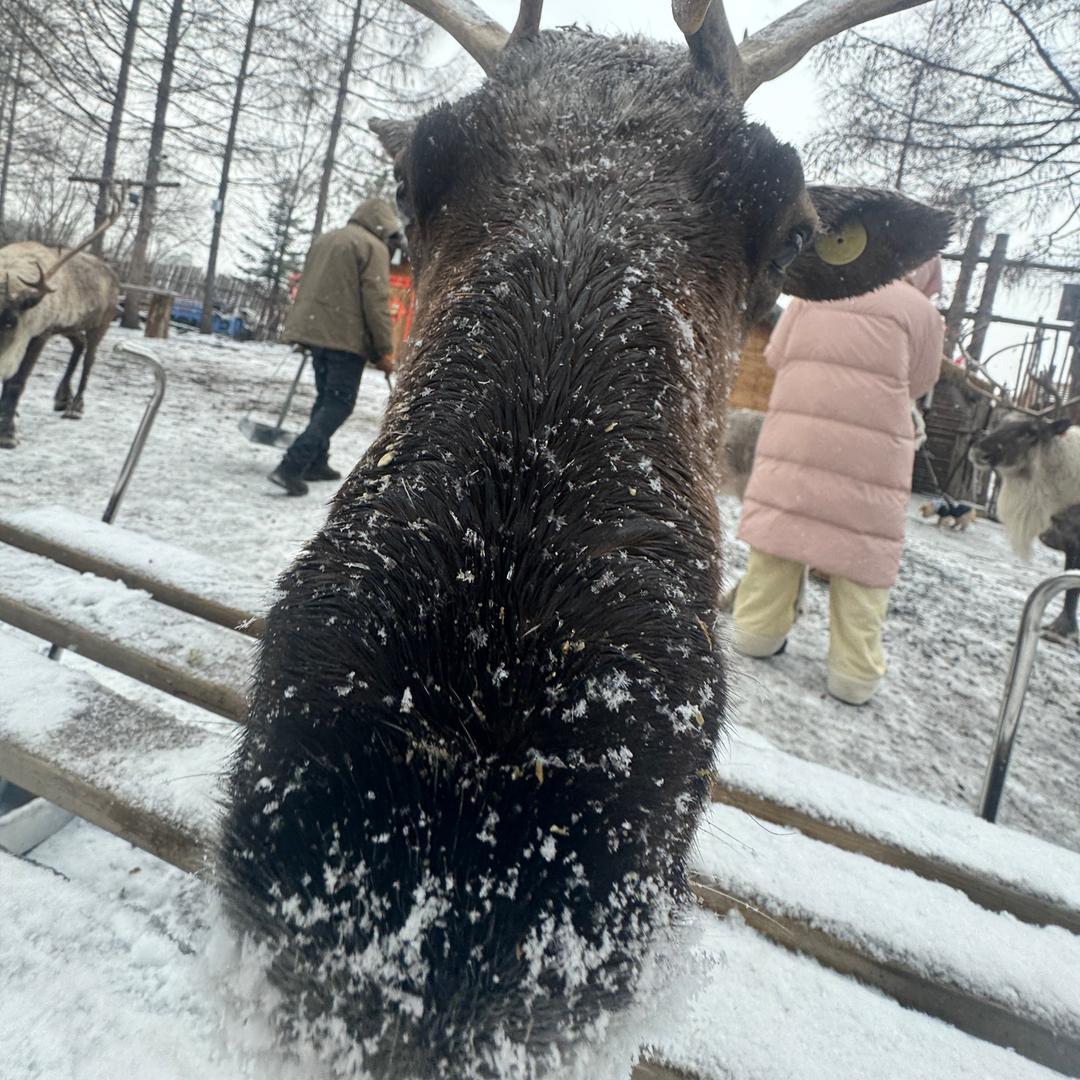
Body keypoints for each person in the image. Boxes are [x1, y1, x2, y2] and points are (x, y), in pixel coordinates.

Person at [731, 257, 945, 705]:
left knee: (777, 540)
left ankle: (754, 634)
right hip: (871, 459)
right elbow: (922, 380)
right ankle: (853, 676)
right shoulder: (921, 312)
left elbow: (775, 355)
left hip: (797, 442)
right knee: (862, 560)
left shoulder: (816, 295)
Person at [270, 198, 401, 496]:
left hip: (316, 333)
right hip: (345, 339)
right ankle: (291, 465)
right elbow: (376, 301)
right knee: (339, 403)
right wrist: (384, 349)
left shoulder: (327, 239)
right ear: (383, 224)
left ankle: (316, 462)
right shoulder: (373, 247)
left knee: (326, 399)